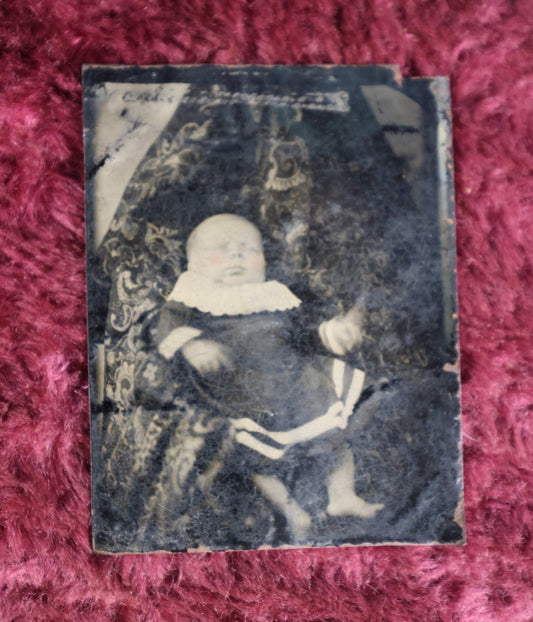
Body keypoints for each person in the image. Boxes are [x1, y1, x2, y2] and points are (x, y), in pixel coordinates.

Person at [152, 213, 383, 540]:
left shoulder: (273, 295)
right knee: (256, 462)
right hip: (244, 392)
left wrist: (333, 332)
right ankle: (293, 513)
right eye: (221, 249)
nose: (236, 255)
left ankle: (342, 496)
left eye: (247, 249)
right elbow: (167, 329)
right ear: (192, 264)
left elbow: (301, 337)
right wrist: (192, 344)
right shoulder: (192, 294)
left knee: (336, 436)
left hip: (299, 383)